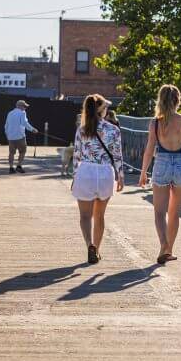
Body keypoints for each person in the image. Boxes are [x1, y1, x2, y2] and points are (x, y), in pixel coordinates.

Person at [139, 84, 181, 265]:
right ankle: (168, 249)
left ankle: (164, 245)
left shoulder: (156, 123)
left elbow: (149, 149)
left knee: (159, 212)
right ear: (178, 100)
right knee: (174, 213)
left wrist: (143, 172)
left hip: (162, 162)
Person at [71, 94, 123, 264]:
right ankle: (97, 249)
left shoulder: (82, 130)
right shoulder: (113, 129)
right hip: (105, 174)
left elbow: (76, 156)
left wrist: (74, 176)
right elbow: (117, 155)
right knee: (99, 216)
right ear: (102, 110)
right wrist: (120, 176)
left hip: (85, 172)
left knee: (85, 216)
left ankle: (89, 246)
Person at [4, 100, 38, 173]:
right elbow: (24, 123)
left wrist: (7, 135)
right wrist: (32, 129)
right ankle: (19, 166)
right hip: (20, 136)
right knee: (23, 151)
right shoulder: (22, 113)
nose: (25, 108)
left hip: (11, 137)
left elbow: (6, 125)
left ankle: (11, 168)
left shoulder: (10, 113)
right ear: (19, 106)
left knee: (11, 153)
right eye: (24, 106)